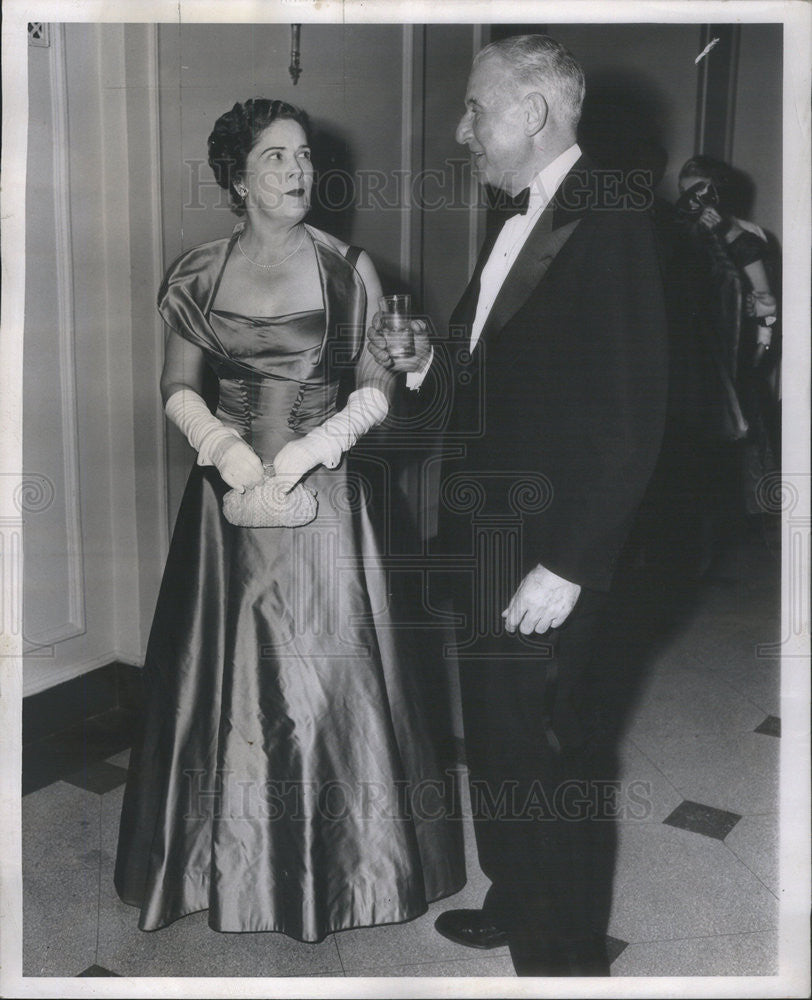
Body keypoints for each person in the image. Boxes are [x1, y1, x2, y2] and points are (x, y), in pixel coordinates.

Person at [114, 98, 464, 941]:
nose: (297, 171)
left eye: (303, 156)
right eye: (275, 158)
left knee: (326, 681)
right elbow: (177, 385)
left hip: (327, 499)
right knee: (220, 684)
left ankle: (343, 871)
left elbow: (382, 384)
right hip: (227, 504)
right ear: (237, 178)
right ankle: (217, 863)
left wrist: (315, 450)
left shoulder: (351, 267)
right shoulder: (196, 271)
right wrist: (229, 456)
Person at [369, 35, 669, 975]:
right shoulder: (515, 219)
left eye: (475, 109)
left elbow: (633, 414)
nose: (463, 128)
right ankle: (516, 896)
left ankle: (564, 957)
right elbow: (483, 374)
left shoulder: (614, 219)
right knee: (499, 735)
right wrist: (425, 363)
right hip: (483, 534)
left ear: (532, 112)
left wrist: (572, 563)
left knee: (548, 755)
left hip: (547, 549)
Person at [676, 156, 780, 524]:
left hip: (739, 352)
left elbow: (767, 302)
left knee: (743, 442)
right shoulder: (681, 233)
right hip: (694, 352)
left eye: (701, 192)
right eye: (685, 193)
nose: (693, 202)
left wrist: (762, 345)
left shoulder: (749, 235)